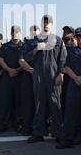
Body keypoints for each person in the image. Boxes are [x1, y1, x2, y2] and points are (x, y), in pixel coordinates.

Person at [26, 15, 67, 144]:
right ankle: (38, 132)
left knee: (55, 103)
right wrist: (36, 49)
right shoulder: (34, 40)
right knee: (39, 104)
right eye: (43, 22)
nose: (45, 25)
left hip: (53, 75)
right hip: (38, 75)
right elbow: (26, 57)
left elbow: (63, 58)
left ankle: (59, 132)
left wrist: (61, 73)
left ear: (51, 24)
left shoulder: (58, 40)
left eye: (48, 22)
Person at [0, 26, 23, 133]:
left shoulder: (24, 46)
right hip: (7, 76)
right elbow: (1, 60)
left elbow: (27, 60)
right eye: (13, 32)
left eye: (17, 32)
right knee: (5, 101)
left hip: (20, 76)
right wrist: (9, 70)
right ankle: (4, 124)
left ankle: (18, 124)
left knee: (19, 101)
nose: (15, 34)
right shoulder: (5, 46)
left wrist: (17, 70)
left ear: (20, 33)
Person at [18, 25, 40, 136]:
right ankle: (27, 127)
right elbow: (21, 60)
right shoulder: (25, 44)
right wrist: (31, 70)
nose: (34, 32)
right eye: (32, 30)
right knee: (27, 102)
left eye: (36, 30)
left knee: (39, 103)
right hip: (27, 75)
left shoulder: (44, 44)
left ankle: (39, 127)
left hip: (41, 76)